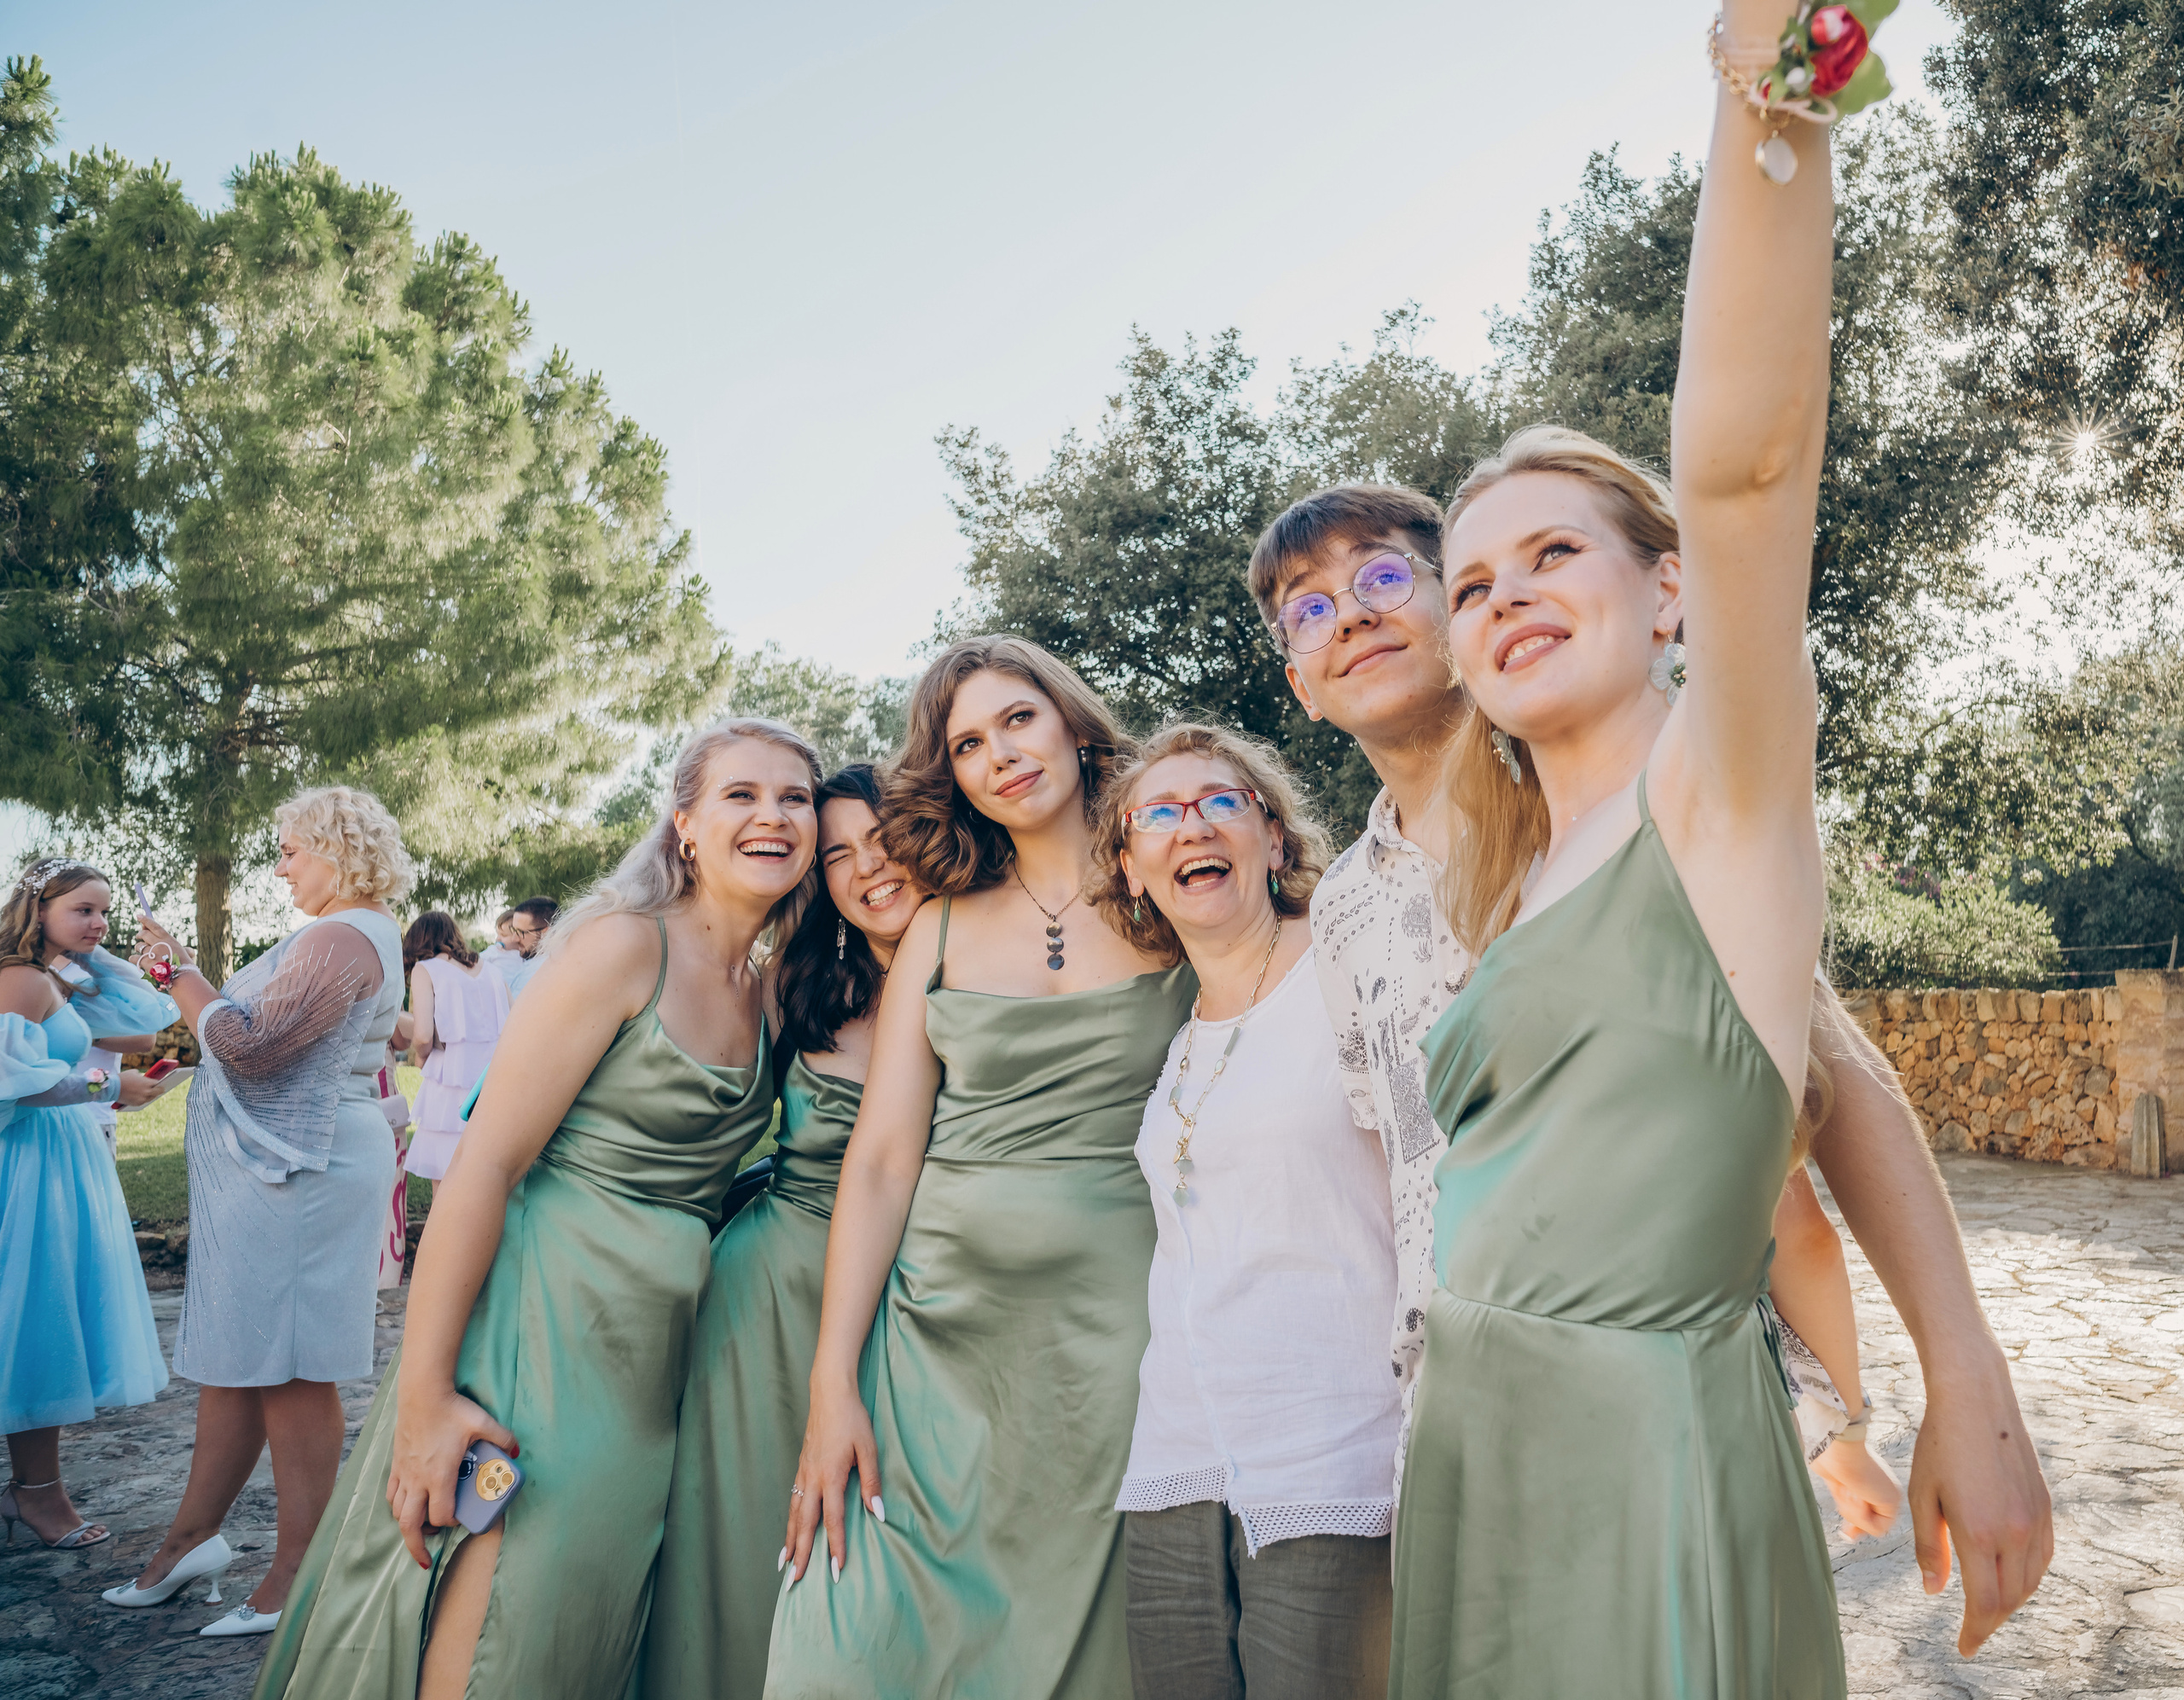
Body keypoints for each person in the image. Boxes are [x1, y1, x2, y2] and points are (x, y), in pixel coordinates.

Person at [1385, 15, 2037, 1685]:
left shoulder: (1716, 791)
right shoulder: (1515, 872)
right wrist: (1959, 1364)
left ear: (1662, 588)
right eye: (1468, 584)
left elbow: (1744, 474)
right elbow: (1821, 1066)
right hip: (1481, 1439)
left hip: (1645, 1440)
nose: (1506, 593)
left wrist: (1767, 89)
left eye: (1552, 553)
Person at [1258, 478, 2048, 1640]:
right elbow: (1413, 1183)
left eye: (1383, 576)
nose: (1352, 616)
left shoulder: (1612, 800)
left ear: (1459, 613)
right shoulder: (1339, 912)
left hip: (1651, 1397)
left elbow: (1828, 1100)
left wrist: (1939, 1382)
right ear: (1301, 688)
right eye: (1308, 612)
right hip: (1455, 1422)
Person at [253, 718, 819, 1700]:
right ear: (684, 822)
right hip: (548, 1314)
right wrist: (426, 1395)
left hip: (658, 1334)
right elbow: (485, 1168)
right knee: (515, 1613)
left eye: (795, 798)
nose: (772, 815)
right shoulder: (621, 947)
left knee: (590, 1622)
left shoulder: (767, 992)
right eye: (741, 794)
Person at [772, 636, 1194, 1699]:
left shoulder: (1172, 899)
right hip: (930, 1342)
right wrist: (834, 1386)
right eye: (968, 743)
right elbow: (877, 1163)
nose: (1000, 753)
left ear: (1072, 722)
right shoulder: (942, 926)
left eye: (1018, 718)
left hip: (1117, 1347)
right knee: (849, 1643)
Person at [1092, 723, 1399, 1700]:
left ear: (1273, 837)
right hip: (1178, 1455)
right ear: (1132, 868)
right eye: (1161, 814)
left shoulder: (1348, 971)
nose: (1194, 826)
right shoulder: (1177, 1040)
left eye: (1222, 802)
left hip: (1335, 1449)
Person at [640, 763, 928, 1698]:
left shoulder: (995, 973)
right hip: (766, 1303)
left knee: (879, 1557)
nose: (867, 869)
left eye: (883, 842)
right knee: (749, 1549)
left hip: (923, 1308)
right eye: (838, 853)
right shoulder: (794, 990)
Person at [108, 788, 410, 1637]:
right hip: (272, 1171)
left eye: (287, 849)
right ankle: (188, 1542)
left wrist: (175, 969)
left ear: (331, 848)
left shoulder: (344, 934)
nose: (278, 867)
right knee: (238, 1358)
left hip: (300, 1173)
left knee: (290, 1365)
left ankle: (296, 1573)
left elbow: (248, 1044)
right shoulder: (338, 931)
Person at [1, 859, 177, 1551]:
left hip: (61, 1157)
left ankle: (31, 1489)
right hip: (27, 1163)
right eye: (83, 909)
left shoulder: (57, 976)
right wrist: (109, 1088)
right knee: (33, 1321)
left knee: (48, 1314)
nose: (98, 921)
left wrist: (97, 949)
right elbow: (10, 1084)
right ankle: (37, 1494)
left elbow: (146, 1024)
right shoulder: (18, 979)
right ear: (36, 907)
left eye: (104, 910)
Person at [401, 911, 509, 1191]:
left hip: (448, 1080)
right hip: (494, 1079)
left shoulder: (425, 969)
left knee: (446, 1182)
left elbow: (423, 1035)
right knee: (491, 1180)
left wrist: (423, 1060)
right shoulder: (492, 970)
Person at [497, 896, 558, 1001]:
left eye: (521, 932)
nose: (514, 939)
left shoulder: (544, 971)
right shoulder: (533, 962)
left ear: (546, 933)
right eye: (513, 930)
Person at [478, 909, 520, 979]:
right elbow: (475, 961)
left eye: (503, 935)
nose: (498, 939)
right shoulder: (494, 951)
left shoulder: (526, 955)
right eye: (498, 934)